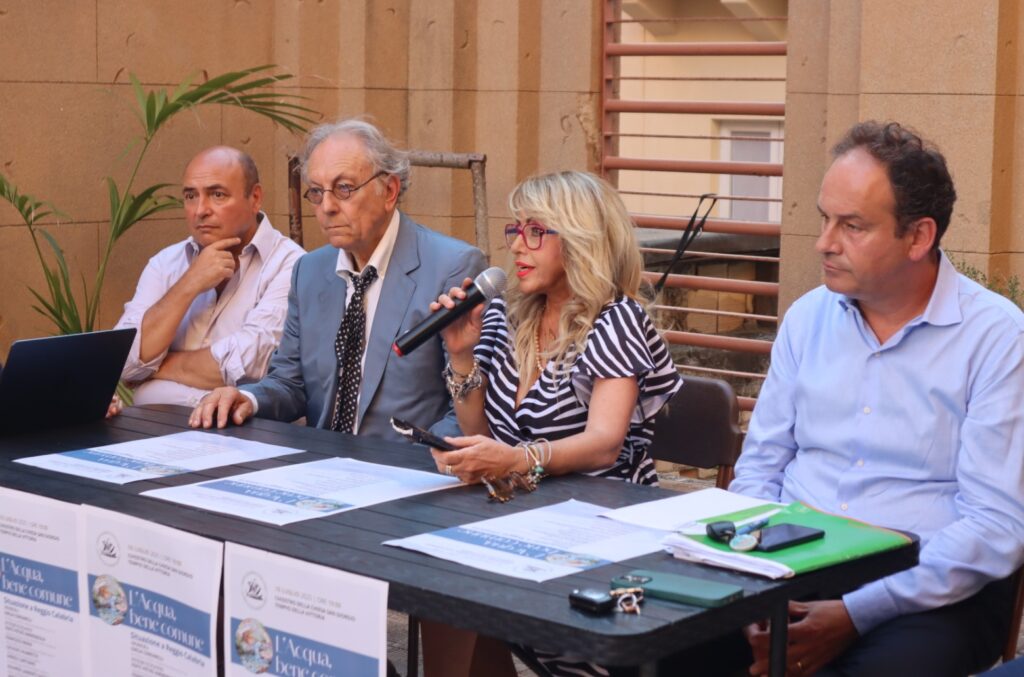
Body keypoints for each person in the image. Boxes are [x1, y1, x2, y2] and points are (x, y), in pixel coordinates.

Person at [726, 121, 1024, 677]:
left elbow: (994, 526)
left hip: (929, 585)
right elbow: (760, 470)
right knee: (661, 646)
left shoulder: (998, 338)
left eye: (852, 226)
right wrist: (748, 586)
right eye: (824, 219)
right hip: (789, 560)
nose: (824, 243)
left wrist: (854, 614)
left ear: (918, 237)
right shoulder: (807, 318)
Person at [422, 170, 682, 676]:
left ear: (582, 240)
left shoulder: (616, 320)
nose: (519, 245)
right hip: (520, 517)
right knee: (440, 589)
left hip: (600, 532)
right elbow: (482, 432)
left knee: (462, 589)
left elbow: (605, 444)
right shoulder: (504, 317)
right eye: (515, 230)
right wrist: (460, 355)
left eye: (537, 231)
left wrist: (518, 459)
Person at [190, 119, 486, 443]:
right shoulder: (309, 271)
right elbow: (291, 385)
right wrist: (248, 398)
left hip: (408, 473)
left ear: (389, 191)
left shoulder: (452, 265)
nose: (327, 207)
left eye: (344, 189)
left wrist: (416, 461)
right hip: (321, 468)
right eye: (316, 192)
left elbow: (468, 411)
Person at [114, 147, 304, 408]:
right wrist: (190, 284)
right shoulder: (166, 264)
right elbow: (122, 361)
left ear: (255, 198)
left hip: (247, 438)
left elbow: (251, 365)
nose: (200, 210)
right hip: (156, 438)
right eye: (191, 196)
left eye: (217, 194)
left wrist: (153, 367)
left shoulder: (292, 265)